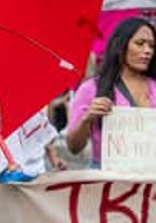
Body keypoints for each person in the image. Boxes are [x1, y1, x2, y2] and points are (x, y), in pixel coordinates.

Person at [67, 16, 156, 167]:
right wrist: (87, 119)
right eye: (140, 44)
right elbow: (73, 147)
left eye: (152, 46)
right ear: (120, 46)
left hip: (148, 182)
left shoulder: (154, 86)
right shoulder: (91, 88)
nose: (147, 51)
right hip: (106, 182)